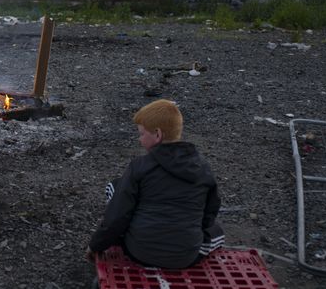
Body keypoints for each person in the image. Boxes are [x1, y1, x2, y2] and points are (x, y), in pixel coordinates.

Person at [85, 99, 224, 269]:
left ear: (157, 134)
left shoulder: (139, 166)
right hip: (185, 257)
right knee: (217, 231)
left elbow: (117, 215)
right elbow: (210, 211)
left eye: (142, 134)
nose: (139, 139)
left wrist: (96, 245)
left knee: (114, 187)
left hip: (139, 252)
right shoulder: (202, 167)